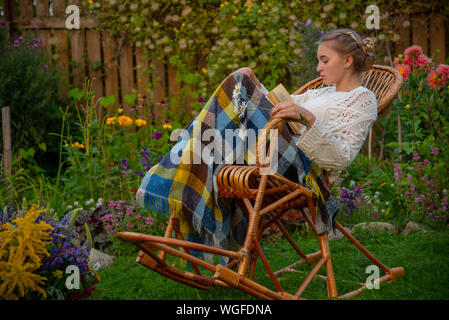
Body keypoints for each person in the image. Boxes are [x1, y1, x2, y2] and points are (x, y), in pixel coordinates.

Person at [135, 28, 377, 258]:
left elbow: (341, 159)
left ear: (347, 61)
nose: (318, 67)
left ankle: (178, 170)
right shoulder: (320, 92)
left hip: (299, 169)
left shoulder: (363, 99)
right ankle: (193, 159)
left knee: (239, 81)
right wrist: (256, 83)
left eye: (325, 60)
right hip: (270, 148)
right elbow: (272, 105)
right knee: (243, 75)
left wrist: (307, 117)